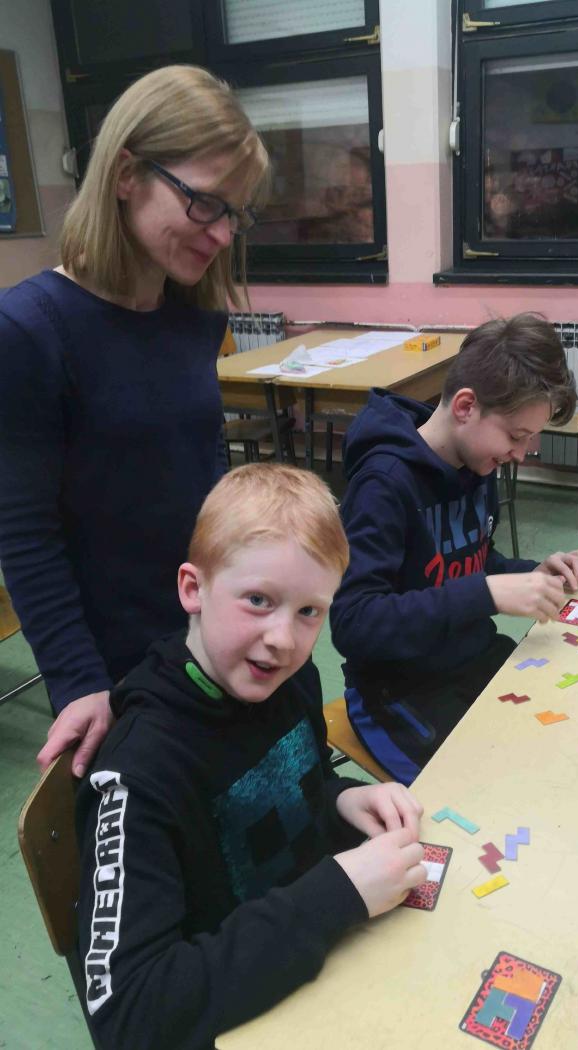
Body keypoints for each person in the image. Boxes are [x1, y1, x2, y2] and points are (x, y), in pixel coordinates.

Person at [76, 463, 426, 1050]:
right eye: (259, 600)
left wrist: (342, 799)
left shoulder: (290, 679)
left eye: (309, 612)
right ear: (193, 589)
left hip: (316, 967)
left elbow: (291, 786)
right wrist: (336, 894)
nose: (283, 639)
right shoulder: (140, 773)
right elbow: (128, 1015)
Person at [0, 65, 269, 778]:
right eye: (205, 203)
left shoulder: (194, 316)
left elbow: (202, 462)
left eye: (235, 214)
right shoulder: (30, 330)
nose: (222, 234)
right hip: (114, 660)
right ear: (126, 174)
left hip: (205, 628)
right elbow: (25, 532)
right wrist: (76, 680)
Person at [330, 313, 578, 784]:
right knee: (485, 790)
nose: (520, 454)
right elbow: (353, 623)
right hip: (397, 691)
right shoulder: (383, 485)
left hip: (471, 659)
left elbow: (471, 562)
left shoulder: (477, 462)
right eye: (516, 436)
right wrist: (486, 594)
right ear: (466, 406)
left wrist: (533, 573)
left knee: (567, 734)